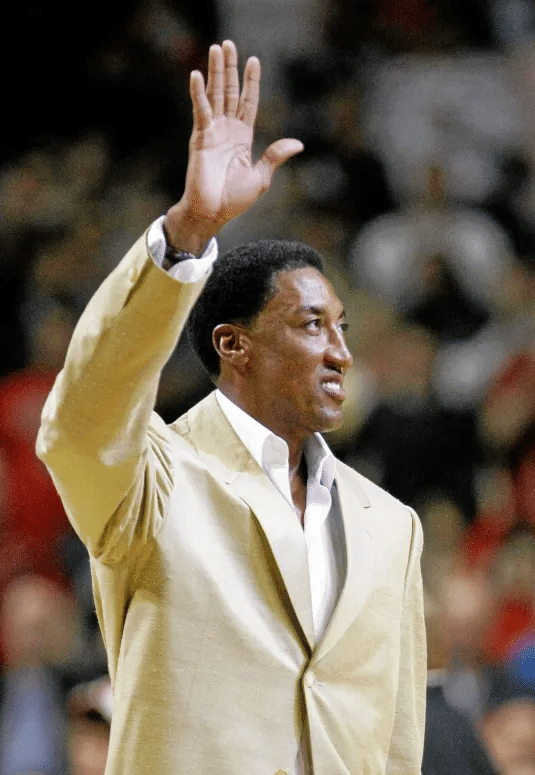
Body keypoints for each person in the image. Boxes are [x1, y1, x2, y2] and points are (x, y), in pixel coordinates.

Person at [36, 40, 426, 775]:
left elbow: (397, 745)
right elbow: (82, 418)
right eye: (311, 324)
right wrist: (186, 234)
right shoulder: (155, 480)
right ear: (233, 344)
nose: (340, 351)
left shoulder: (392, 524)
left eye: (342, 327)